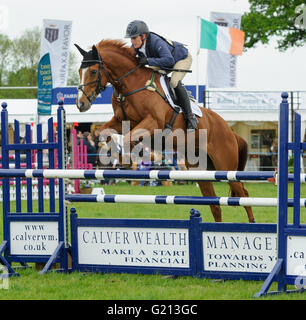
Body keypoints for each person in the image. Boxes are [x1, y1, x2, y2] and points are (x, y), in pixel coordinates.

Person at [125, 20, 198, 132]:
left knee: (173, 82)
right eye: (131, 38)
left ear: (143, 36)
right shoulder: (135, 46)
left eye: (134, 38)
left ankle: (190, 117)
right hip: (163, 62)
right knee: (148, 79)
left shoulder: (156, 42)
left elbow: (169, 61)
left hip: (181, 58)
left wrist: (148, 60)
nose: (132, 41)